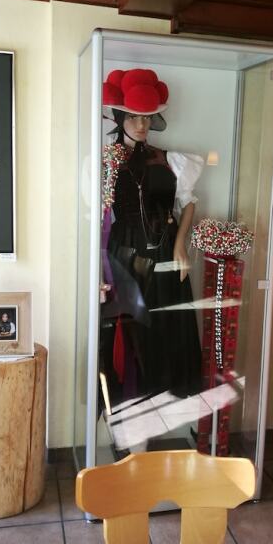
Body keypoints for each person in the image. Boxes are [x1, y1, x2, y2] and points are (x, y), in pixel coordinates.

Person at [100, 68, 204, 409]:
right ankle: (132, 399)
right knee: (131, 326)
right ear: (120, 117)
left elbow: (188, 203)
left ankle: (164, 395)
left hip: (164, 251)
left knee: (165, 321)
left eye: (146, 117)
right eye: (133, 116)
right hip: (125, 254)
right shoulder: (105, 161)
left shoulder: (169, 159)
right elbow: (96, 217)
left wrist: (180, 244)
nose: (141, 124)